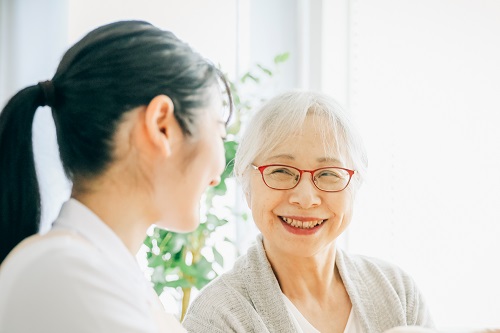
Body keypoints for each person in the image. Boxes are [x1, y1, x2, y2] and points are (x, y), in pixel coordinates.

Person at [0, 20, 231, 332]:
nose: (219, 174)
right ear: (161, 125)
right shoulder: (69, 276)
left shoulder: (98, 273)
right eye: (219, 131)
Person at [183, 90, 434, 333]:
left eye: (328, 174)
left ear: (355, 185)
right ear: (245, 184)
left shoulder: (398, 291)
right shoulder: (216, 317)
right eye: (280, 171)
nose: (305, 199)